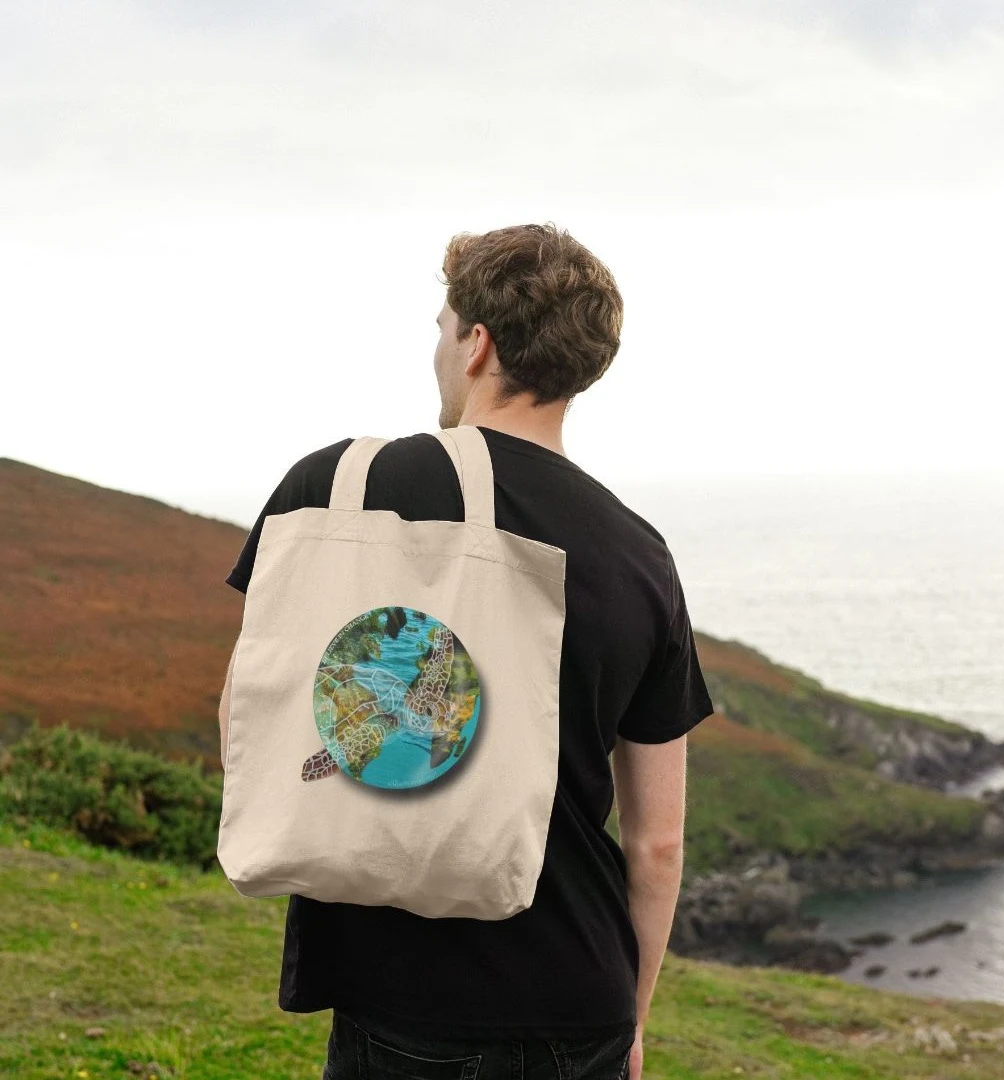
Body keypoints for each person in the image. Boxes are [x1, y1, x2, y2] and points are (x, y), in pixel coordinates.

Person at [218, 223, 715, 1080]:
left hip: (399, 995)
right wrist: (631, 1019)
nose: (439, 351)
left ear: (476, 343)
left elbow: (246, 711)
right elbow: (658, 845)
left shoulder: (330, 491)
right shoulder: (639, 555)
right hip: (579, 994)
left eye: (442, 328)